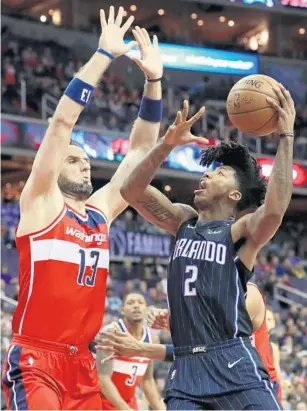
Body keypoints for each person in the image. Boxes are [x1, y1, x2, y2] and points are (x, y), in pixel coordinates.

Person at [1, 7, 164, 410]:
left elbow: (141, 152)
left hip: (83, 363)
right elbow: (61, 125)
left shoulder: (99, 213)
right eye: (74, 159)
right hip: (38, 359)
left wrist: (154, 81)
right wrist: (104, 56)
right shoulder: (41, 203)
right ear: (53, 169)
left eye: (86, 159)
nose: (85, 162)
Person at [116, 86, 295, 410]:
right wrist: (165, 145)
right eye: (209, 171)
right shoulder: (182, 221)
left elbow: (273, 212)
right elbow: (130, 190)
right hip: (186, 372)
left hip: (234, 363)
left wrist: (286, 139)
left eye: (220, 172)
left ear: (235, 196)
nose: (208, 174)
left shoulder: (239, 233)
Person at [98, 283, 284, 405]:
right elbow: (201, 344)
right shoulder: (112, 332)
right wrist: (175, 326)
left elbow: (209, 346)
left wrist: (142, 349)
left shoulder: (246, 293)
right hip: (226, 381)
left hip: (254, 385)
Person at [96, 293, 165, 410]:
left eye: (140, 302)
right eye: (130, 303)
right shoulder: (111, 333)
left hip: (129, 402)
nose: (136, 306)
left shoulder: (152, 339)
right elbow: (103, 379)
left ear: (146, 309)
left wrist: (161, 408)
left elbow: (147, 380)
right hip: (103, 402)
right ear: (122, 310)